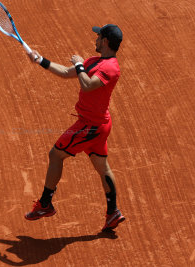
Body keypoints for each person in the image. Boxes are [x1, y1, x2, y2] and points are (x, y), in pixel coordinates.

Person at [24, 24, 125, 231]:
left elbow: (87, 84)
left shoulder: (111, 68)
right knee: (102, 167)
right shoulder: (95, 61)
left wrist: (80, 65)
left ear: (105, 41)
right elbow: (65, 72)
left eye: (98, 36)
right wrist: (40, 60)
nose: (95, 39)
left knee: (55, 155)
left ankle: (45, 204)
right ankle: (113, 212)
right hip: (98, 125)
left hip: (90, 127)